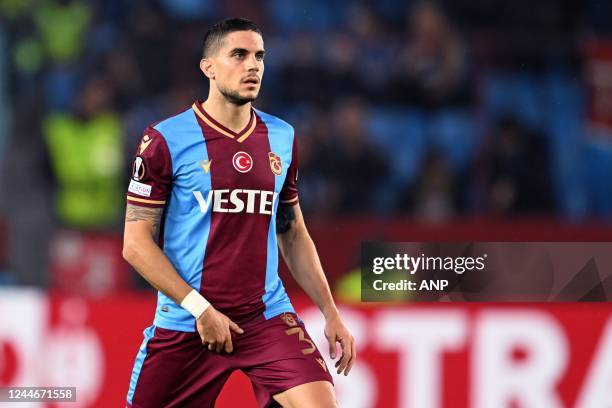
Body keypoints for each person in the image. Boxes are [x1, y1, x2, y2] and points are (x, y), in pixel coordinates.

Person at [122, 18, 355, 408]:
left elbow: (292, 232)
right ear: (208, 67)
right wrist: (200, 309)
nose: (253, 65)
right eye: (239, 55)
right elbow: (135, 244)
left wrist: (330, 313)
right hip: (186, 323)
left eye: (259, 56)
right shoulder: (164, 139)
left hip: (263, 317)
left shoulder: (282, 137)